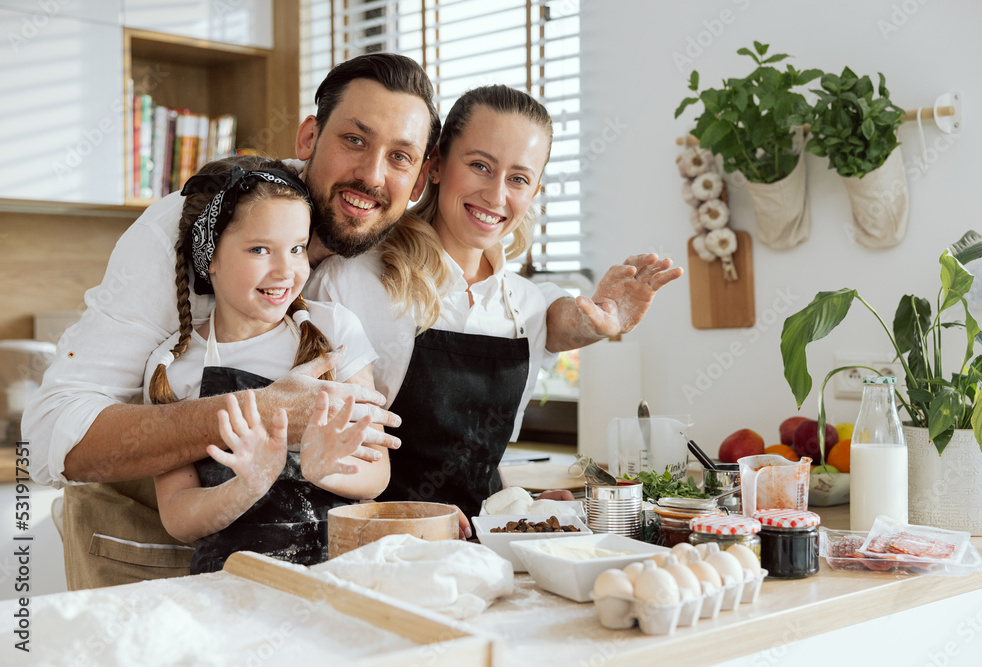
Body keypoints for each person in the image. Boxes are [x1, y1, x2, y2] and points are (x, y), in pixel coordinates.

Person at [24, 53, 676, 589]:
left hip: (306, 570)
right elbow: (55, 431)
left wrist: (574, 322)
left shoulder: (369, 271)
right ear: (308, 138)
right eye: (354, 140)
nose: (370, 173)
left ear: (422, 176)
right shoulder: (192, 227)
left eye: (398, 155)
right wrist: (267, 410)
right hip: (146, 559)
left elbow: (492, 306)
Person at [308, 85, 683, 534]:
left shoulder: (524, 306)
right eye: (480, 166)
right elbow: (318, 454)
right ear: (437, 165)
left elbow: (473, 470)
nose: (496, 194)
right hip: (373, 543)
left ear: (535, 191)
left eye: (519, 179)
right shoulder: (352, 280)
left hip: (480, 555)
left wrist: (516, 505)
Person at [145, 156, 385, 573]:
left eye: (296, 248)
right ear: (210, 257)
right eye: (260, 249)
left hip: (342, 573)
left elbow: (377, 472)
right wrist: (247, 486)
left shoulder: (336, 330)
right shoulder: (173, 368)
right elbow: (178, 516)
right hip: (233, 585)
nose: (286, 270)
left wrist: (322, 469)